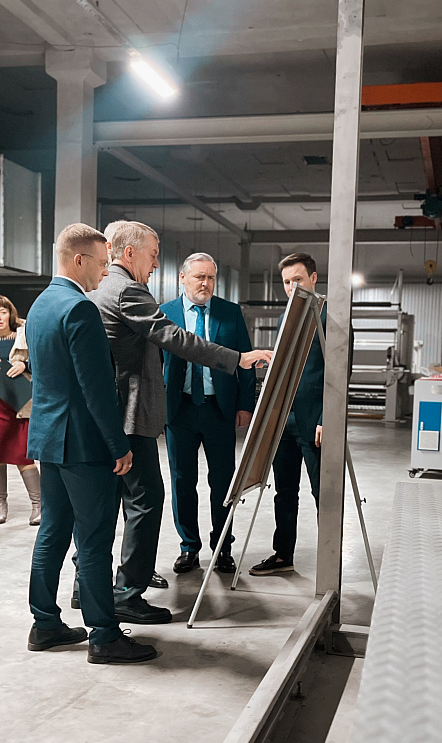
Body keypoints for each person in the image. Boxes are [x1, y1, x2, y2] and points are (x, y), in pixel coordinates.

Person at [88, 221, 271, 625]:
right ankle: (127, 593)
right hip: (141, 415)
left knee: (107, 503)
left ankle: (92, 585)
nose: (156, 263)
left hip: (177, 412)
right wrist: (237, 359)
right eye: (153, 254)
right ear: (130, 252)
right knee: (149, 498)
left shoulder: (97, 290)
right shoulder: (130, 291)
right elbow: (175, 339)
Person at [26, 222, 155, 664]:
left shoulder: (41, 304)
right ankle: (104, 636)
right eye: (101, 263)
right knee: (95, 540)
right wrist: (118, 445)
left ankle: (45, 624)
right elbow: (96, 388)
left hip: (49, 440)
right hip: (83, 444)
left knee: (53, 531)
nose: (105, 271)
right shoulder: (79, 309)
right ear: (79, 260)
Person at [161, 252, 255, 575]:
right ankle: (189, 546)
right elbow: (154, 365)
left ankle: (222, 547)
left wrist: (244, 405)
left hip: (220, 409)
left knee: (223, 482)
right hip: (180, 410)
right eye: (199, 276)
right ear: (182, 278)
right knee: (182, 481)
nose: (205, 283)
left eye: (210, 277)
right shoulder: (165, 313)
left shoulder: (230, 313)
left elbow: (245, 362)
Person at [250, 253, 325, 576]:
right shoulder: (285, 319)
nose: (292, 287)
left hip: (315, 421)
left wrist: (326, 418)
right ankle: (283, 554)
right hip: (284, 420)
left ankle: (330, 561)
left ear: (313, 279)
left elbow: (340, 373)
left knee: (323, 492)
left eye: (298, 280)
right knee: (284, 492)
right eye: (286, 282)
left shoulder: (330, 316)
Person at [0, 295, 40, 525]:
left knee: (23, 455)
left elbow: (41, 359)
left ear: (10, 314)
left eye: (3, 312)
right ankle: (0, 505)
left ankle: (38, 505)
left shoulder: (24, 334)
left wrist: (24, 364)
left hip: (19, 404)